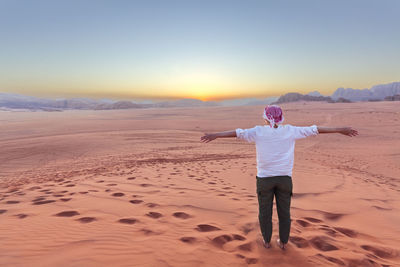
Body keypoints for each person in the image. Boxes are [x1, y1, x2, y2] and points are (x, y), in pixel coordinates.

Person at [200, 105, 358, 250]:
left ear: (265, 118)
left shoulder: (258, 131)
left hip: (264, 180)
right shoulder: (290, 130)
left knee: (264, 212)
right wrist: (339, 129)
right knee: (284, 212)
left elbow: (237, 133)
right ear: (281, 118)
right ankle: (283, 243)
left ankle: (267, 242)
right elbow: (315, 129)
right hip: (284, 180)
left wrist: (216, 135)